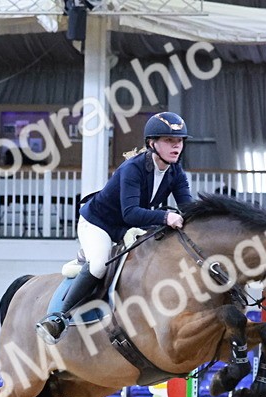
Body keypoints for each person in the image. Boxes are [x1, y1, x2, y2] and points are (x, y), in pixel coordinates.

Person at [35, 112, 195, 345]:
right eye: (170, 141)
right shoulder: (133, 168)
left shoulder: (175, 171)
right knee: (99, 265)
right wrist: (165, 216)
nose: (177, 146)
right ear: (152, 143)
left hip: (128, 227)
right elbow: (130, 212)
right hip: (98, 224)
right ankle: (59, 318)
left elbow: (187, 208)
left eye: (179, 141)